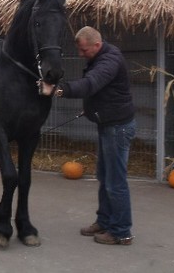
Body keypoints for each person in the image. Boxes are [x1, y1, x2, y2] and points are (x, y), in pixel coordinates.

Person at [42, 26, 136, 246]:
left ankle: (122, 232)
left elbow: (90, 84)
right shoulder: (100, 57)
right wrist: (93, 108)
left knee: (115, 182)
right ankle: (104, 221)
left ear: (96, 44)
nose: (81, 54)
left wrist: (57, 89)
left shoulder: (109, 60)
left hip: (118, 128)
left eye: (84, 50)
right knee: (105, 178)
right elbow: (103, 91)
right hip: (108, 125)